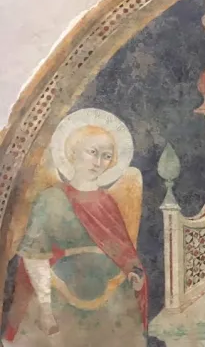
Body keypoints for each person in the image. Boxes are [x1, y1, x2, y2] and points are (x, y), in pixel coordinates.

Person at [2, 110, 148, 347]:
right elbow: (34, 256)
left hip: (112, 300)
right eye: (93, 152)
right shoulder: (51, 199)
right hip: (60, 297)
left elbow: (122, 249)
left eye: (106, 156)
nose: (99, 162)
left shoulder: (107, 202)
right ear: (72, 152)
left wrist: (134, 272)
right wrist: (46, 309)